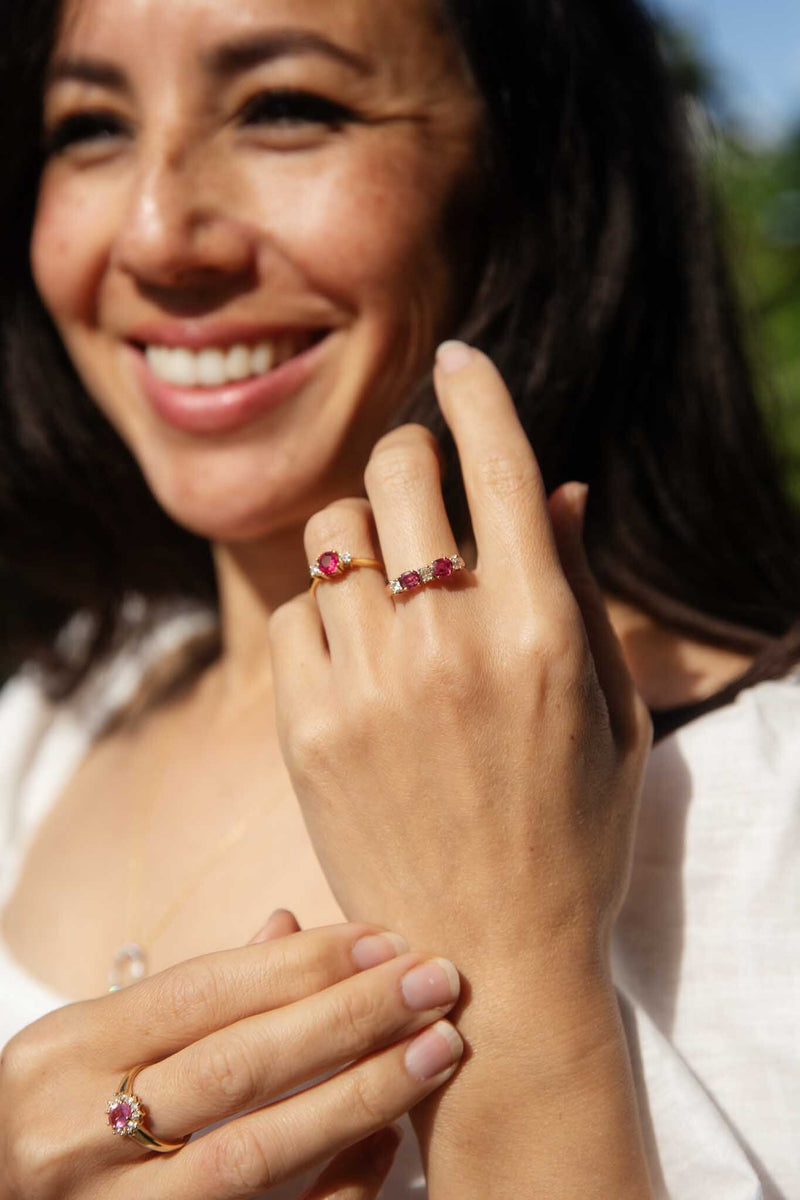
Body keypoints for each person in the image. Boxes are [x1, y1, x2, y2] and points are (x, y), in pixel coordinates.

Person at [0, 0, 798, 1196]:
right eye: (90, 126)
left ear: (534, 168)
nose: (159, 234)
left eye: (285, 109)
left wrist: (522, 999)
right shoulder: (41, 725)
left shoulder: (760, 801)